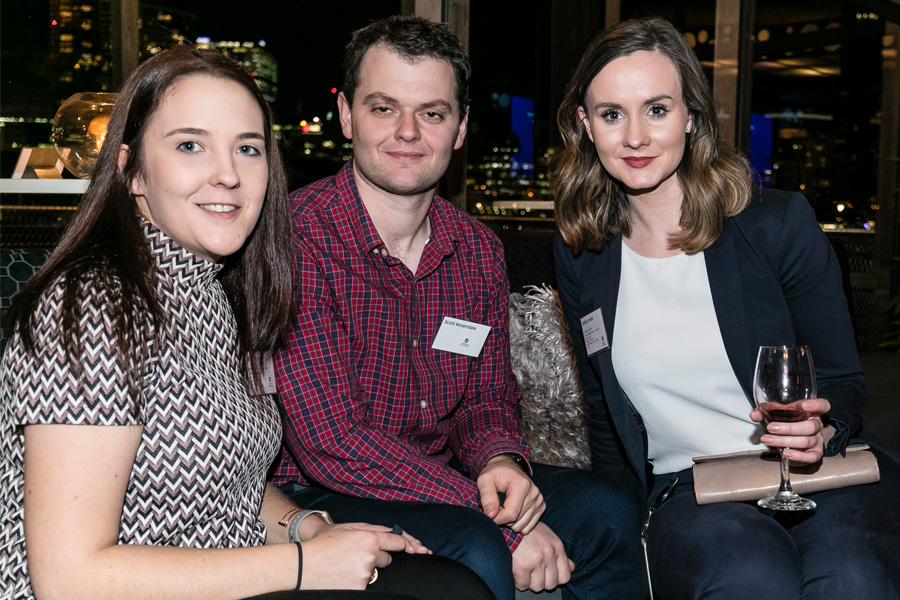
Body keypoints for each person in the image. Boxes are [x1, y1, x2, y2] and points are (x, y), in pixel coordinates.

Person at [0, 45, 492, 600]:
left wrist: (305, 527)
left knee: (454, 584)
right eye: (190, 145)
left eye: (247, 149)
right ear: (130, 170)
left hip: (236, 569)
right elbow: (68, 578)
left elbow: (230, 481)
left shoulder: (218, 290)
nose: (228, 175)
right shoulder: (95, 306)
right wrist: (302, 566)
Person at [272, 15, 644, 600]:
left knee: (607, 509)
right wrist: (494, 516)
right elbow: (332, 441)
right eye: (383, 108)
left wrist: (501, 462)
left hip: (444, 474)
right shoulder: (296, 240)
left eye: (432, 113)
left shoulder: (476, 250)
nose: (407, 132)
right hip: (324, 489)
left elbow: (485, 398)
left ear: (461, 127)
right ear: (345, 115)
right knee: (478, 546)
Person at [552, 16, 900, 600]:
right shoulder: (583, 253)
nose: (635, 136)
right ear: (586, 126)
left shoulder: (776, 225)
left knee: (852, 577)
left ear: (691, 114)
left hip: (818, 472)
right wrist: (620, 534)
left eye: (656, 109)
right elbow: (604, 413)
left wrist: (824, 428)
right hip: (690, 490)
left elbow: (842, 379)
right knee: (749, 578)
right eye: (612, 114)